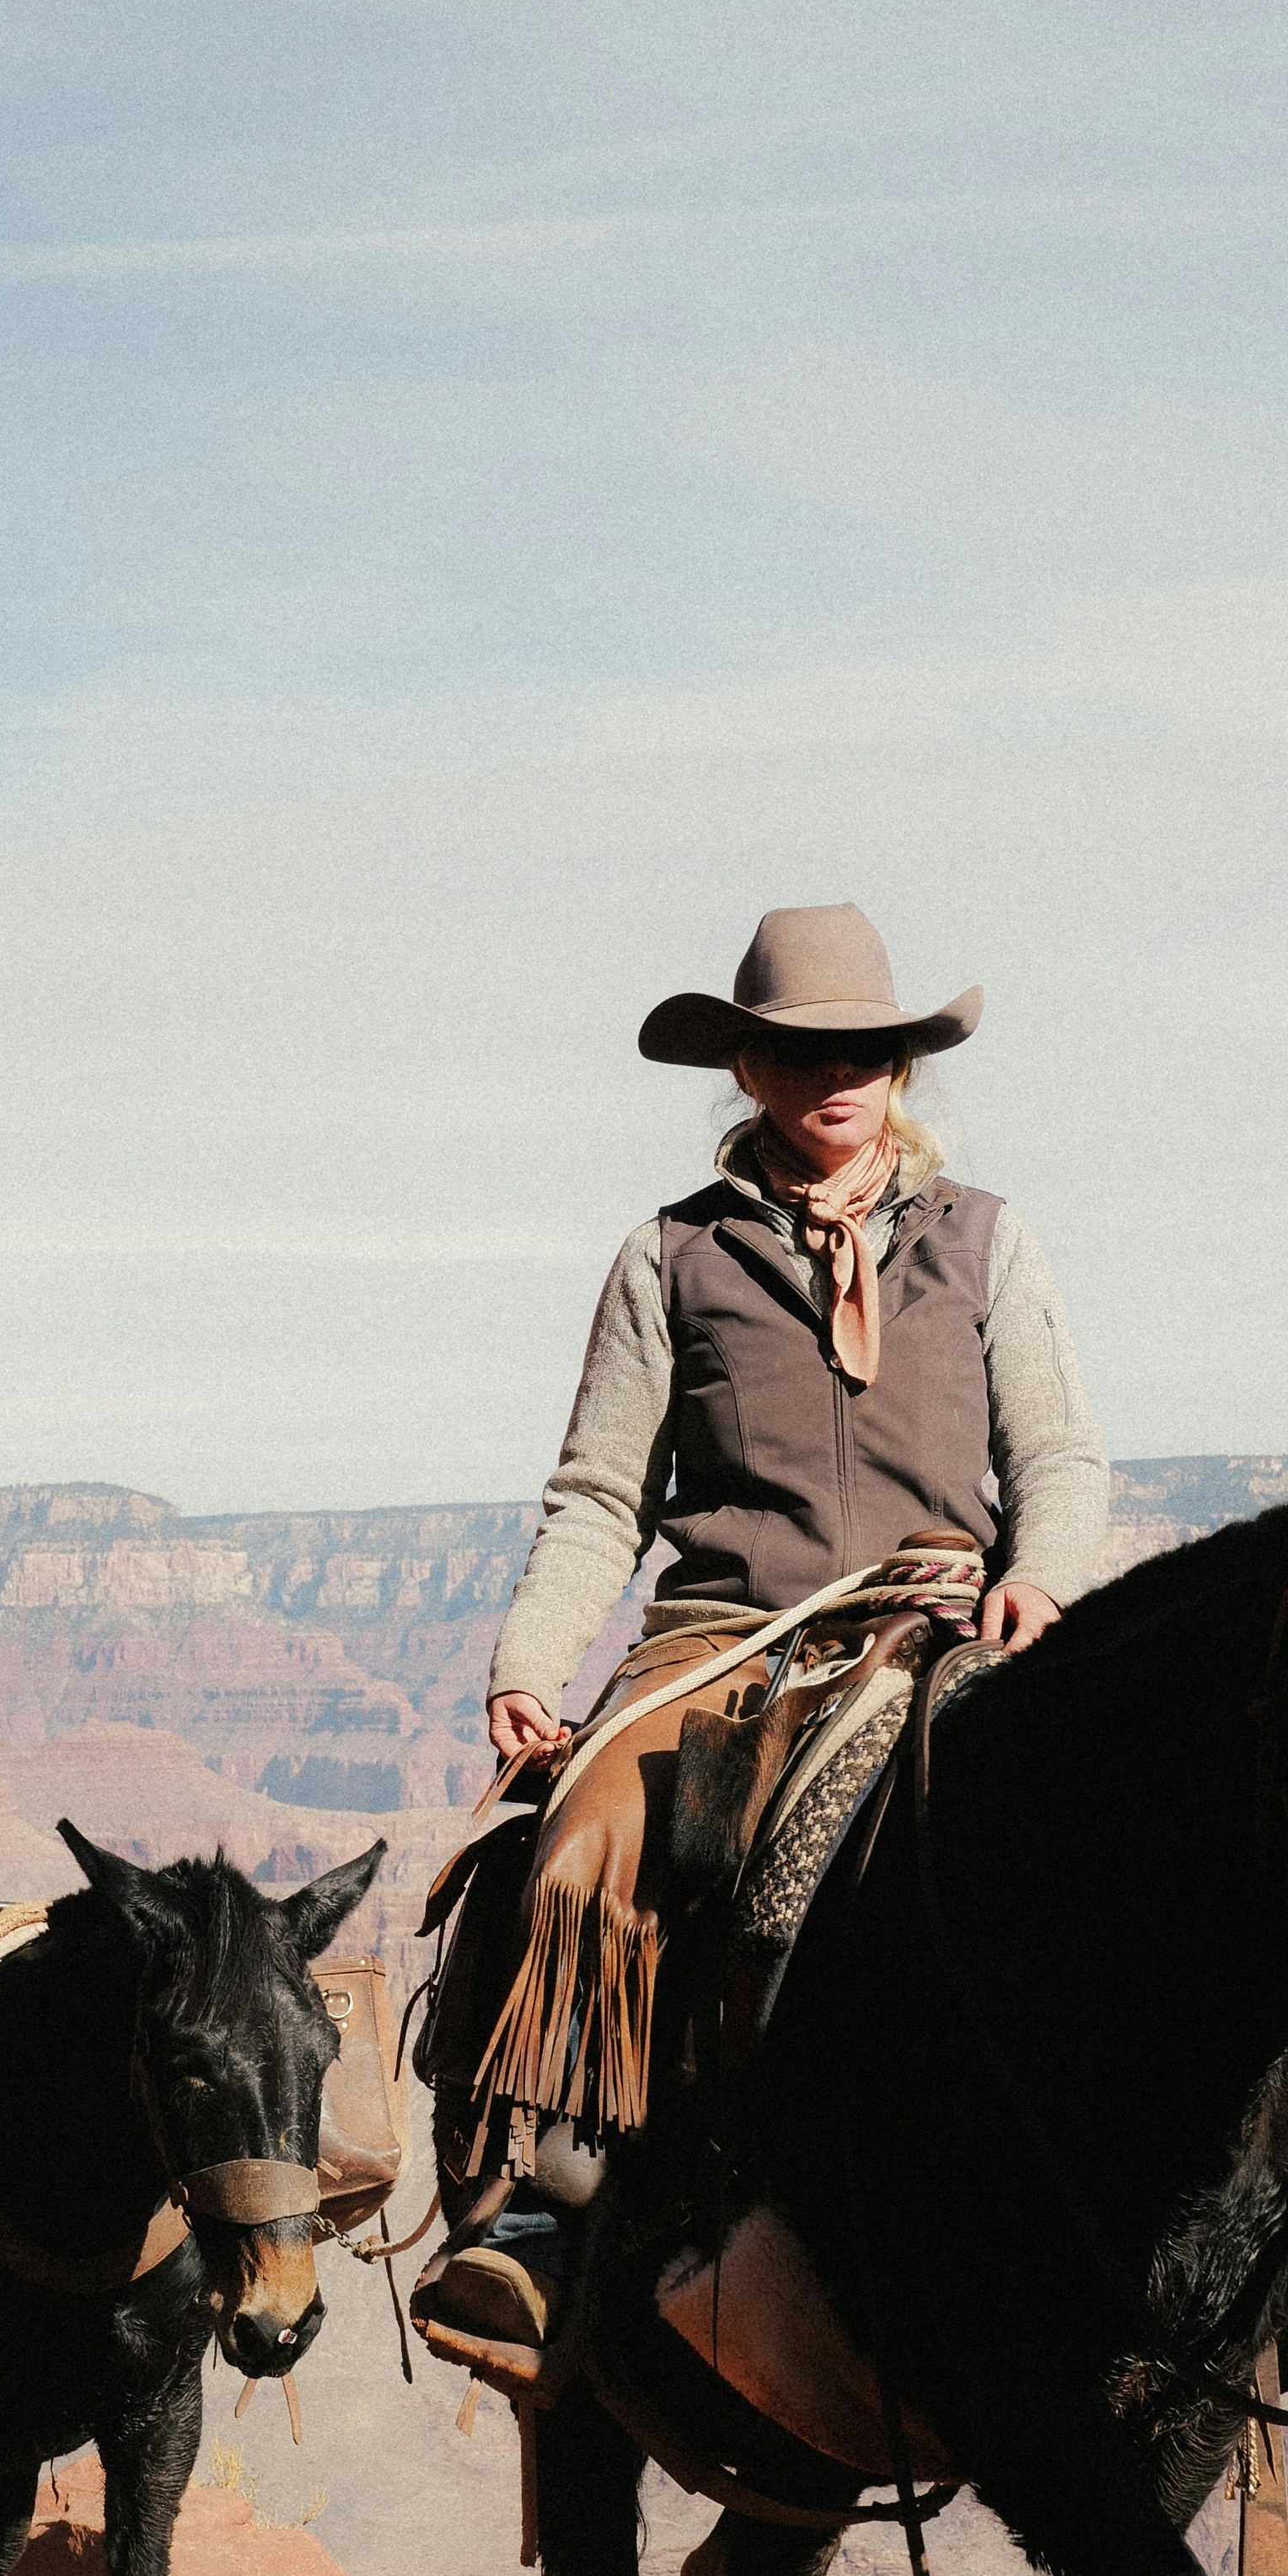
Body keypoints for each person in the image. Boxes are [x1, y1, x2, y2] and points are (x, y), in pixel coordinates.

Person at [416, 901, 1108, 2364]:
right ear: (744, 1070)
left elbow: (1055, 1457)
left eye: (862, 1048)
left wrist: (1037, 1577)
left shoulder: (984, 1243)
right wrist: (530, 1666)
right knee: (582, 1845)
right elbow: (601, 1493)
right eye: (798, 1053)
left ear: (901, 1065)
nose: (833, 1077)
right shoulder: (667, 1257)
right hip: (724, 1637)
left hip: (936, 1623)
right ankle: (548, 2215)